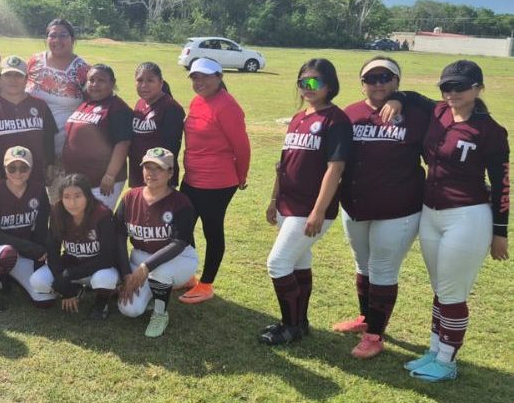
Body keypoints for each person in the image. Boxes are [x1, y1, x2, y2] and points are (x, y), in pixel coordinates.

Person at [390, 60, 508, 382]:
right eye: (446, 86)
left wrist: (500, 232)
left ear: (478, 89)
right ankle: (435, 350)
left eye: (460, 87)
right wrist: (397, 98)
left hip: (467, 217)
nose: (452, 93)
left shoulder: (490, 131)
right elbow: (412, 97)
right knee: (441, 289)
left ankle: (447, 361)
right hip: (431, 214)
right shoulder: (439, 111)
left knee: (453, 292)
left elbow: (502, 185)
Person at [332, 57, 429, 359]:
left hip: (398, 208)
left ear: (397, 81)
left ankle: (375, 335)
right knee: (362, 265)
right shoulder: (350, 113)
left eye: (386, 77)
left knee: (383, 268)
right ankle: (366, 319)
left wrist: (403, 98)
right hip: (355, 205)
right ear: (361, 83)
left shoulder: (415, 114)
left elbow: (446, 101)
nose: (378, 84)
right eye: (371, 78)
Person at [261, 58, 352, 345]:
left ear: (330, 85)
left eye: (315, 81)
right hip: (287, 203)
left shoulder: (336, 120)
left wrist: (318, 211)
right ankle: (300, 321)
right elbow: (283, 164)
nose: (308, 87)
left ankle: (289, 325)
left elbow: (335, 169)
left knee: (278, 263)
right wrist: (274, 199)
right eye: (303, 82)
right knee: (299, 262)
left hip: (309, 208)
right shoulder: (299, 117)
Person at [178, 58, 250, 304]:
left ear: (219, 77)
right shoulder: (197, 101)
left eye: (206, 76)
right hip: (192, 177)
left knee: (212, 230)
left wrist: (241, 175)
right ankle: (188, 274)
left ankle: (206, 284)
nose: (199, 82)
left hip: (217, 182)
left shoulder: (227, 106)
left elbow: (241, 146)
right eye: (195, 77)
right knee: (182, 226)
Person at [116, 148, 199, 337]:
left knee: (161, 272)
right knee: (129, 309)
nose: (151, 173)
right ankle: (155, 295)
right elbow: (119, 236)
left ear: (170, 172)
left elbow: (179, 243)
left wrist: (146, 267)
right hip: (140, 256)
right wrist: (126, 273)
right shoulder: (130, 197)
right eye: (148, 167)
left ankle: (160, 313)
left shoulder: (181, 202)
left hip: (179, 258)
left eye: (159, 168)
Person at [0, 146, 55, 311]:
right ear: (5, 168)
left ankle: (9, 278)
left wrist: (39, 259)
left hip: (21, 252)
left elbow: (41, 229)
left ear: (31, 169)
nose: (18, 173)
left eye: (23, 168)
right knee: (8, 253)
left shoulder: (38, 191)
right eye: (12, 168)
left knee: (45, 300)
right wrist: (31, 248)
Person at [30, 173, 119, 320]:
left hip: (98, 268)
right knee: (38, 281)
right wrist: (63, 283)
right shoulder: (57, 213)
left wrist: (68, 275)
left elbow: (108, 258)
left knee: (104, 278)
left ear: (87, 196)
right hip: (72, 265)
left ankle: (102, 302)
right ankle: (75, 290)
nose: (72, 202)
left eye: (78, 196)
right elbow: (53, 251)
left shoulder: (102, 214)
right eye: (67, 197)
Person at [61, 64, 132, 210]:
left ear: (112, 83)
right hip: (79, 180)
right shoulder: (87, 103)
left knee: (96, 220)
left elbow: (122, 144)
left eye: (101, 80)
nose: (95, 84)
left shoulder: (117, 108)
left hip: (101, 181)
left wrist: (110, 175)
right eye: (91, 80)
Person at [0, 55, 56, 186]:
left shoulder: (40, 105)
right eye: (7, 75)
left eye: (18, 75)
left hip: (34, 178)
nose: (13, 80)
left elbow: (48, 139)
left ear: (26, 79)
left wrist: (50, 165)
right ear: (0, 78)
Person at [26, 18, 90, 158]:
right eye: (53, 35)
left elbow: (93, 106)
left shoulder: (82, 69)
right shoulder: (34, 62)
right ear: (46, 39)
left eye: (63, 35)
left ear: (72, 39)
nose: (57, 40)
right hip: (30, 146)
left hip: (65, 149)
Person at [129, 62, 184, 188]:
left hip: (158, 177)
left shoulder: (171, 108)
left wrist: (157, 175)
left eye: (150, 80)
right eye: (140, 80)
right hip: (138, 172)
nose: (144, 85)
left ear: (161, 82)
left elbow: (171, 149)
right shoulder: (140, 103)